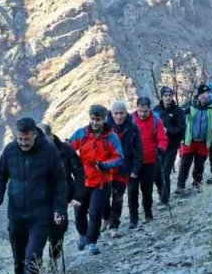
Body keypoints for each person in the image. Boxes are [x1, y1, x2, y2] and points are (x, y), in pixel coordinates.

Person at [0, 118, 68, 274]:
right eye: (19, 138)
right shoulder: (9, 151)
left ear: (34, 134)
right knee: (19, 260)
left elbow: (60, 180)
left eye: (26, 138)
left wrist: (60, 208)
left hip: (40, 214)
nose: (23, 142)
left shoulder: (49, 151)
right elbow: (0, 176)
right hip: (16, 214)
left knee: (33, 257)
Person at [68, 105, 125, 255]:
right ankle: (82, 235)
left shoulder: (111, 137)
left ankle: (92, 241)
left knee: (95, 212)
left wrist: (105, 165)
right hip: (82, 181)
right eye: (92, 119)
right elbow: (68, 149)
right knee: (79, 211)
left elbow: (119, 158)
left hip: (102, 182)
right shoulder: (81, 134)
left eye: (98, 120)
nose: (94, 122)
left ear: (104, 119)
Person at [41, 122, 86, 274]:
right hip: (40, 198)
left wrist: (78, 195)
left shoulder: (65, 149)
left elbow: (79, 172)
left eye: (42, 137)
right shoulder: (34, 151)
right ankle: (37, 271)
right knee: (39, 233)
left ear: (50, 135)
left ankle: (53, 260)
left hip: (62, 195)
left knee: (58, 230)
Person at [129, 97, 168, 224]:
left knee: (147, 190)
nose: (143, 114)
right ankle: (133, 218)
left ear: (150, 109)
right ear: (137, 108)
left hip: (150, 161)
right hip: (133, 163)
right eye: (141, 111)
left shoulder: (156, 120)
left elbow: (163, 138)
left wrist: (161, 148)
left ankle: (148, 214)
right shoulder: (130, 120)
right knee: (132, 191)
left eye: (145, 111)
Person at [176, 84, 212, 194]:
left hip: (204, 142)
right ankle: (180, 186)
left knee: (199, 165)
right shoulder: (190, 105)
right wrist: (183, 112)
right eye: (204, 93)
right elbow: (178, 113)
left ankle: (197, 184)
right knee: (185, 164)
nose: (207, 95)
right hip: (189, 140)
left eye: (208, 93)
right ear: (199, 95)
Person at [106, 101, 141, 231]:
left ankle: (119, 223)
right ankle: (108, 219)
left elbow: (138, 149)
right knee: (105, 198)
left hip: (126, 167)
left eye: (121, 113)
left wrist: (135, 169)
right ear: (111, 113)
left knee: (121, 196)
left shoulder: (132, 126)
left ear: (126, 113)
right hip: (108, 168)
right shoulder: (105, 127)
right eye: (116, 113)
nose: (119, 116)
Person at [153, 86, 185, 206]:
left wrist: (168, 130)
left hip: (172, 146)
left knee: (165, 172)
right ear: (162, 97)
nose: (168, 98)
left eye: (170, 95)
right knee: (157, 173)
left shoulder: (177, 111)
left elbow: (182, 129)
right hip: (158, 146)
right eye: (165, 96)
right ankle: (162, 193)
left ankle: (164, 199)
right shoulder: (156, 110)